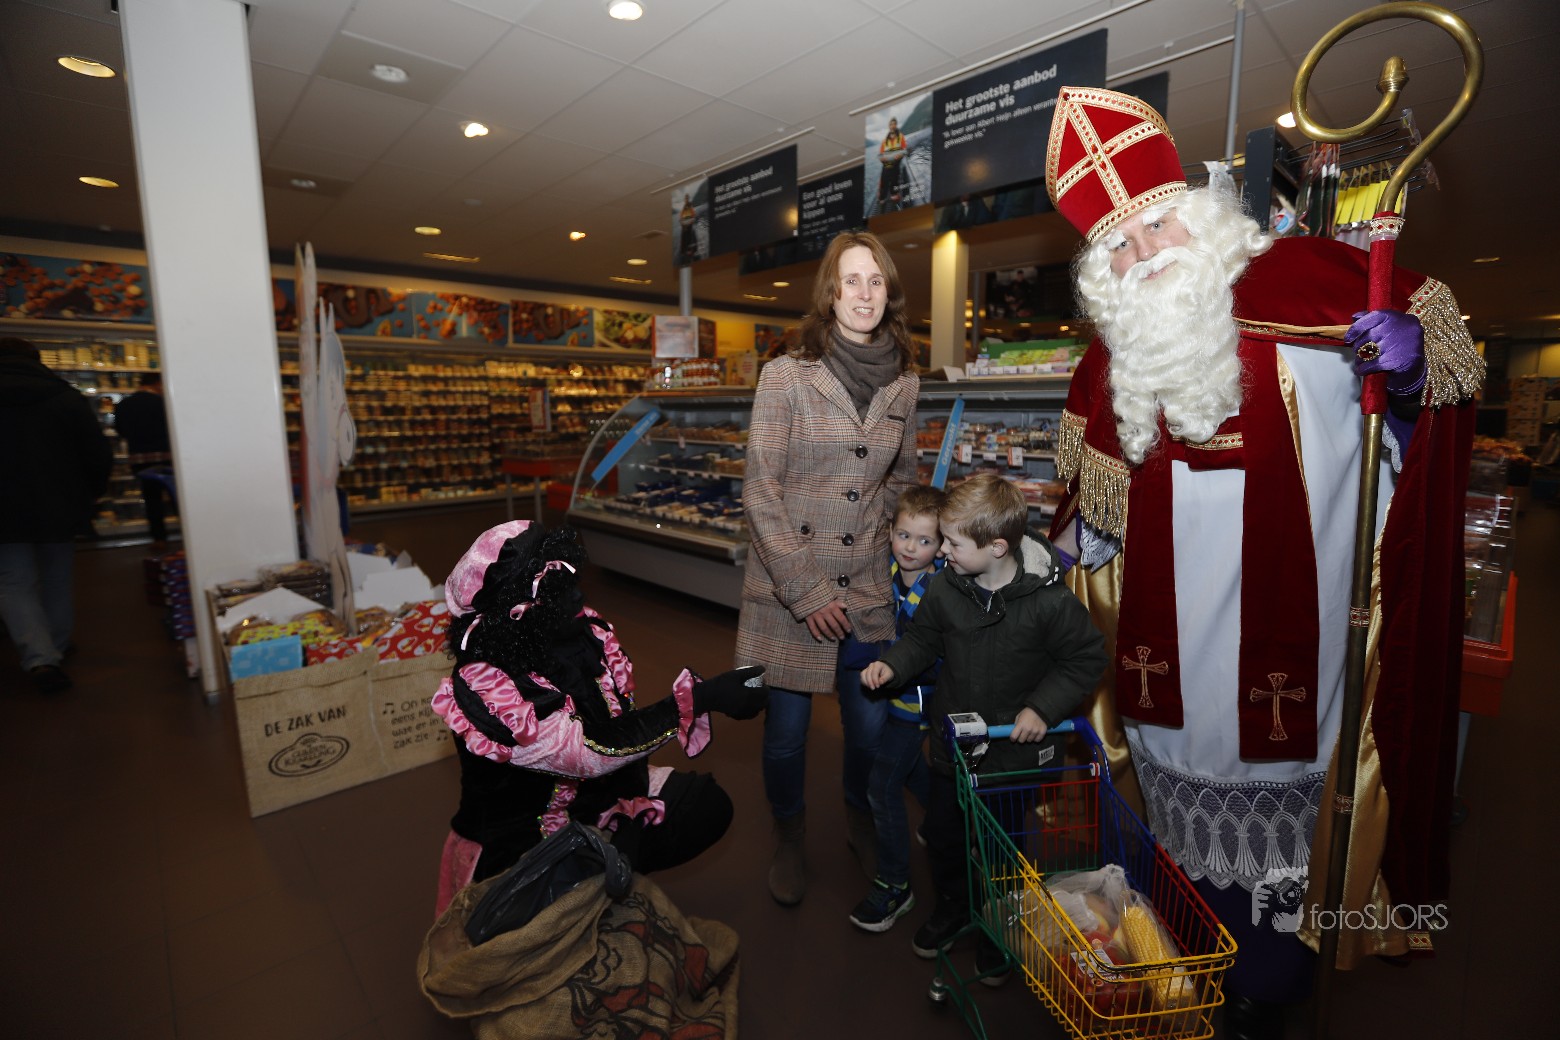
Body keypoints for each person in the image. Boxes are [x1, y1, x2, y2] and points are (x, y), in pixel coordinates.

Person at [1042, 87, 1483, 1038]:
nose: (1146, 253)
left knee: (1286, 866)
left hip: (1301, 644)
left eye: (1157, 223)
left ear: (1197, 214)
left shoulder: (1316, 291)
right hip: (1169, 671)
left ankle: (1268, 994)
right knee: (1183, 857)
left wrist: (1410, 378)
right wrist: (1062, 556)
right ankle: (1194, 976)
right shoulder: (1113, 361)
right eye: (1119, 245)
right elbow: (1096, 524)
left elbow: (1418, 448)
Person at [431, 519, 767, 917]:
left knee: (706, 806)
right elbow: (585, 752)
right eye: (560, 591)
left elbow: (613, 720)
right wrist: (699, 699)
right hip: (521, 839)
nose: (579, 594)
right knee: (534, 934)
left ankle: (606, 870)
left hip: (594, 801)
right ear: (520, 612)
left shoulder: (581, 635)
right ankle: (586, 887)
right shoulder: (488, 688)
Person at [735, 230, 921, 906]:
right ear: (831, 293)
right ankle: (789, 834)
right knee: (786, 736)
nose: (864, 293)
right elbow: (760, 489)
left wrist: (914, 551)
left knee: (868, 728)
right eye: (851, 281)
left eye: (875, 280)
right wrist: (806, 591)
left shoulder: (905, 380)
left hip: (867, 580)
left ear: (887, 292)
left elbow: (902, 480)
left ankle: (859, 815)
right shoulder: (786, 375)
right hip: (790, 584)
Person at [864, 474, 1107, 971]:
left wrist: (1042, 708)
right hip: (955, 747)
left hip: (1014, 757)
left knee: (1003, 849)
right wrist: (894, 665)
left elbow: (1086, 658)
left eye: (952, 543)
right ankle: (953, 905)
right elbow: (923, 639)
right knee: (945, 837)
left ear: (996, 547)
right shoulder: (947, 587)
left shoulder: (1049, 601)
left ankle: (1001, 923)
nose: (942, 551)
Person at [847, 484, 945, 933]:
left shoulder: (938, 591)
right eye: (904, 535)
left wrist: (893, 668)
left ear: (941, 545)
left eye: (924, 541)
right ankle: (944, 823)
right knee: (910, 770)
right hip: (890, 694)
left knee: (882, 786)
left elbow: (935, 656)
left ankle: (895, 885)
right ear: (891, 532)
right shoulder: (885, 570)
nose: (911, 548)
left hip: (918, 702)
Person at [0, 336, 112, 693]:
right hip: (57, 503)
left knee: (13, 582)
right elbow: (96, 453)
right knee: (56, 577)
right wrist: (91, 493)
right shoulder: (64, 397)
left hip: (4, 509)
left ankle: (40, 657)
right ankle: (57, 645)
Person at [113, 372, 174, 549]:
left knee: (152, 499)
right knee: (175, 496)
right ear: (157, 384)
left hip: (140, 459)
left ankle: (159, 538)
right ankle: (188, 536)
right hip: (166, 457)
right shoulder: (163, 403)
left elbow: (121, 430)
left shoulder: (124, 404)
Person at [875, 117, 908, 214]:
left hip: (896, 164)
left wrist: (900, 155)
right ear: (889, 126)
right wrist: (882, 159)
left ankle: (894, 197)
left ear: (896, 125)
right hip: (886, 165)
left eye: (894, 124)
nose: (892, 126)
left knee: (894, 180)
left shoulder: (901, 137)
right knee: (883, 182)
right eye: (891, 124)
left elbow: (904, 150)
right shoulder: (884, 141)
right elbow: (880, 154)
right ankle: (882, 199)